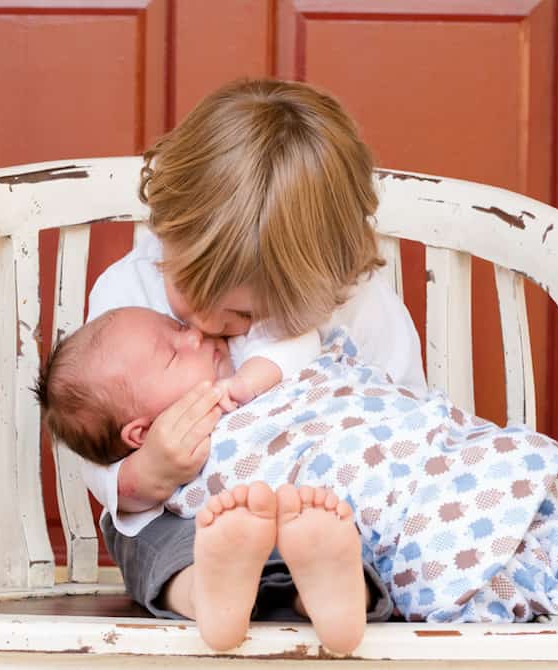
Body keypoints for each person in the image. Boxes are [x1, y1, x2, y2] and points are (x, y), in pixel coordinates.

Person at [53, 78, 426, 653]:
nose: (202, 325)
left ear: (316, 283)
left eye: (240, 313)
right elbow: (96, 426)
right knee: (148, 535)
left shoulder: (357, 306)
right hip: (200, 516)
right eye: (184, 293)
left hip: (329, 507)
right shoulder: (127, 290)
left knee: (359, 539)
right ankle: (208, 589)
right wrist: (140, 475)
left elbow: (407, 419)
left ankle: (322, 589)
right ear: (166, 228)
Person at [39, 306, 558, 627]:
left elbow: (330, 368)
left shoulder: (258, 346)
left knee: (334, 509)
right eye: (172, 350)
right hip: (306, 511)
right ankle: (301, 587)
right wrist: (151, 469)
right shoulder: (127, 310)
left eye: (177, 326)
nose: (195, 333)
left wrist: (252, 380)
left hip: (404, 462)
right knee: (257, 519)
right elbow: (117, 483)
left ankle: (328, 586)